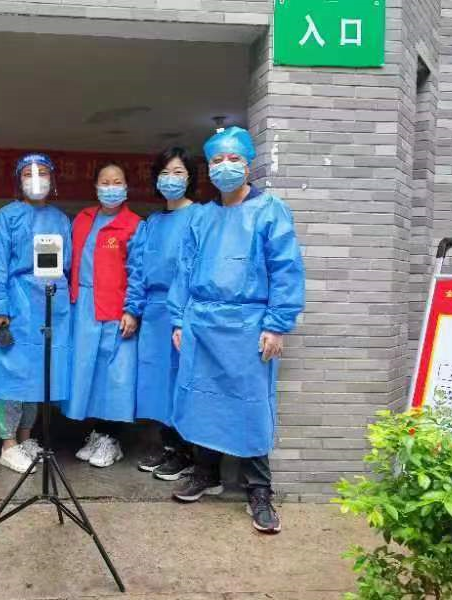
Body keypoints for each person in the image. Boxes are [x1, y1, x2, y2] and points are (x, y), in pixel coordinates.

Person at [167, 127, 305, 534]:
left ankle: (259, 490)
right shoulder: (201, 216)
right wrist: (179, 319)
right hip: (201, 321)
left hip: (248, 325)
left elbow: (286, 270)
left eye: (234, 159)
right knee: (202, 401)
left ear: (248, 164)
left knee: (250, 405)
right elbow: (184, 270)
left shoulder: (270, 211)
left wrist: (276, 325)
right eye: (217, 160)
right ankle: (205, 473)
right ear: (208, 168)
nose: (225, 167)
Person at [0, 153, 72, 474]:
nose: (36, 179)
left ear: (52, 180)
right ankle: (8, 444)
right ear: (18, 181)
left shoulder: (60, 219)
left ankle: (27, 438)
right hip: (16, 305)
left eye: (43, 172)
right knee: (11, 375)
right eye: (29, 174)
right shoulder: (5, 218)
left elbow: (67, 265)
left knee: (38, 375)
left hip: (50, 306)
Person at [126, 147, 201, 481]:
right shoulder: (152, 223)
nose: (171, 179)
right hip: (155, 314)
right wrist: (133, 309)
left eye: (179, 172)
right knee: (158, 384)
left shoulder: (201, 217)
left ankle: (189, 453)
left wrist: (184, 315)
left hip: (185, 311)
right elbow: (138, 270)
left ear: (191, 178)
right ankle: (169, 446)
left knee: (183, 381)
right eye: (165, 173)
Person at [62, 162, 143, 468]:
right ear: (96, 187)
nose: (111, 188)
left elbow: (139, 272)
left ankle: (112, 438)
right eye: (105, 182)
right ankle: (97, 434)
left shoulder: (134, 224)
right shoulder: (83, 219)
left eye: (117, 182)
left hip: (115, 307)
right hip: (83, 305)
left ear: (127, 187)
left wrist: (132, 309)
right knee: (88, 373)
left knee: (116, 376)